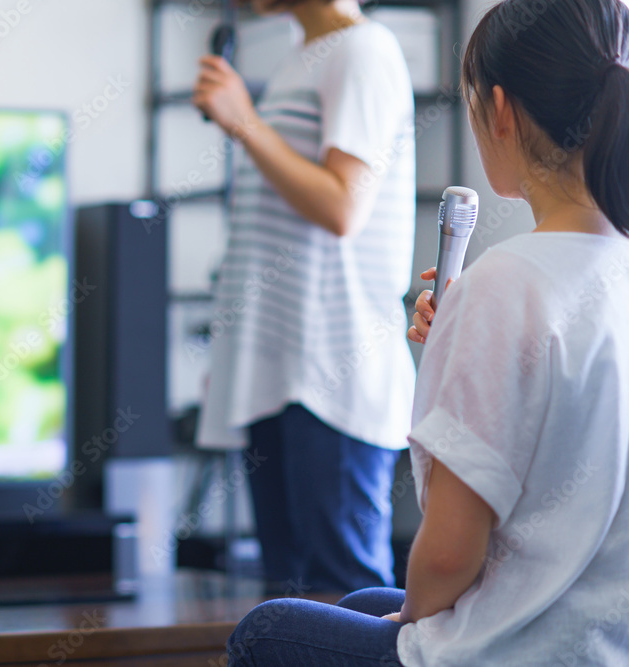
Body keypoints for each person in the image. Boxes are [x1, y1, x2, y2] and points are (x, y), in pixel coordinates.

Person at [225, 0, 629, 663]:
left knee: (265, 630)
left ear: (500, 110)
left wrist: (413, 619)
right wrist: (459, 347)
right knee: (361, 601)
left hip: (518, 652)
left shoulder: (504, 283)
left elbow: (446, 557)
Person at [192, 0, 417, 594]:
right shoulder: (304, 56)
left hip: (331, 373)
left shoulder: (364, 51)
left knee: (345, 597)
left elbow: (342, 207)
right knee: (291, 604)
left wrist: (245, 123)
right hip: (279, 372)